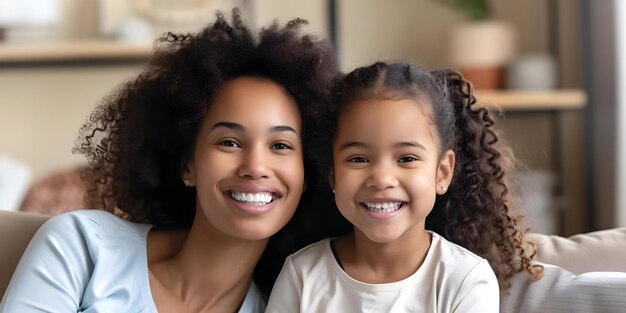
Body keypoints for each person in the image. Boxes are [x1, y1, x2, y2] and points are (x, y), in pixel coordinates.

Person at [0, 9, 339, 312]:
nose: (255, 166)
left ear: (307, 172)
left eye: (280, 145)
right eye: (229, 141)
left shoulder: (287, 306)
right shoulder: (84, 250)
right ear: (186, 165)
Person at [266, 62, 544, 312]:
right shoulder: (302, 275)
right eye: (359, 159)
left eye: (406, 158)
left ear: (442, 173)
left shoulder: (464, 279)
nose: (382, 178)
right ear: (333, 174)